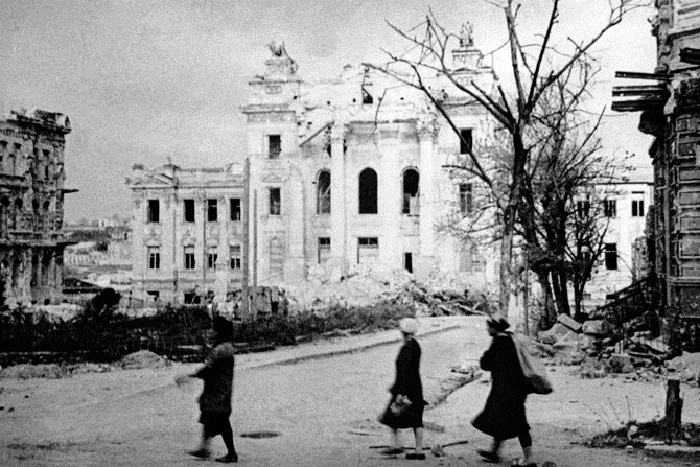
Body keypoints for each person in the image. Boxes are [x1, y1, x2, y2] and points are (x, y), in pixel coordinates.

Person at [472, 317, 536, 467]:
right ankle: (494, 452)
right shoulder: (511, 339)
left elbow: (486, 364)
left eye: (489, 327)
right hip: (515, 389)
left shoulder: (499, 343)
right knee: (501, 419)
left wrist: (486, 354)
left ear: (495, 328)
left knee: (518, 423)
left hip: (506, 390)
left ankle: (529, 459)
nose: (487, 329)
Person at [176, 316, 238, 463]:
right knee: (209, 418)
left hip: (218, 391)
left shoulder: (221, 350)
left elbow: (209, 370)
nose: (210, 331)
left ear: (219, 331)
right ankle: (204, 448)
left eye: (213, 329)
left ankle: (231, 453)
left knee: (221, 421)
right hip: (218, 389)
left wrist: (191, 375)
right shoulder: (225, 347)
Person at [378, 317, 427, 460]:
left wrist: (400, 392)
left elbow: (404, 372)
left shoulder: (406, 349)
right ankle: (419, 450)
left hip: (405, 387)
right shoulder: (416, 346)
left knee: (392, 415)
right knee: (417, 418)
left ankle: (396, 444)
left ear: (403, 333)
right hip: (416, 386)